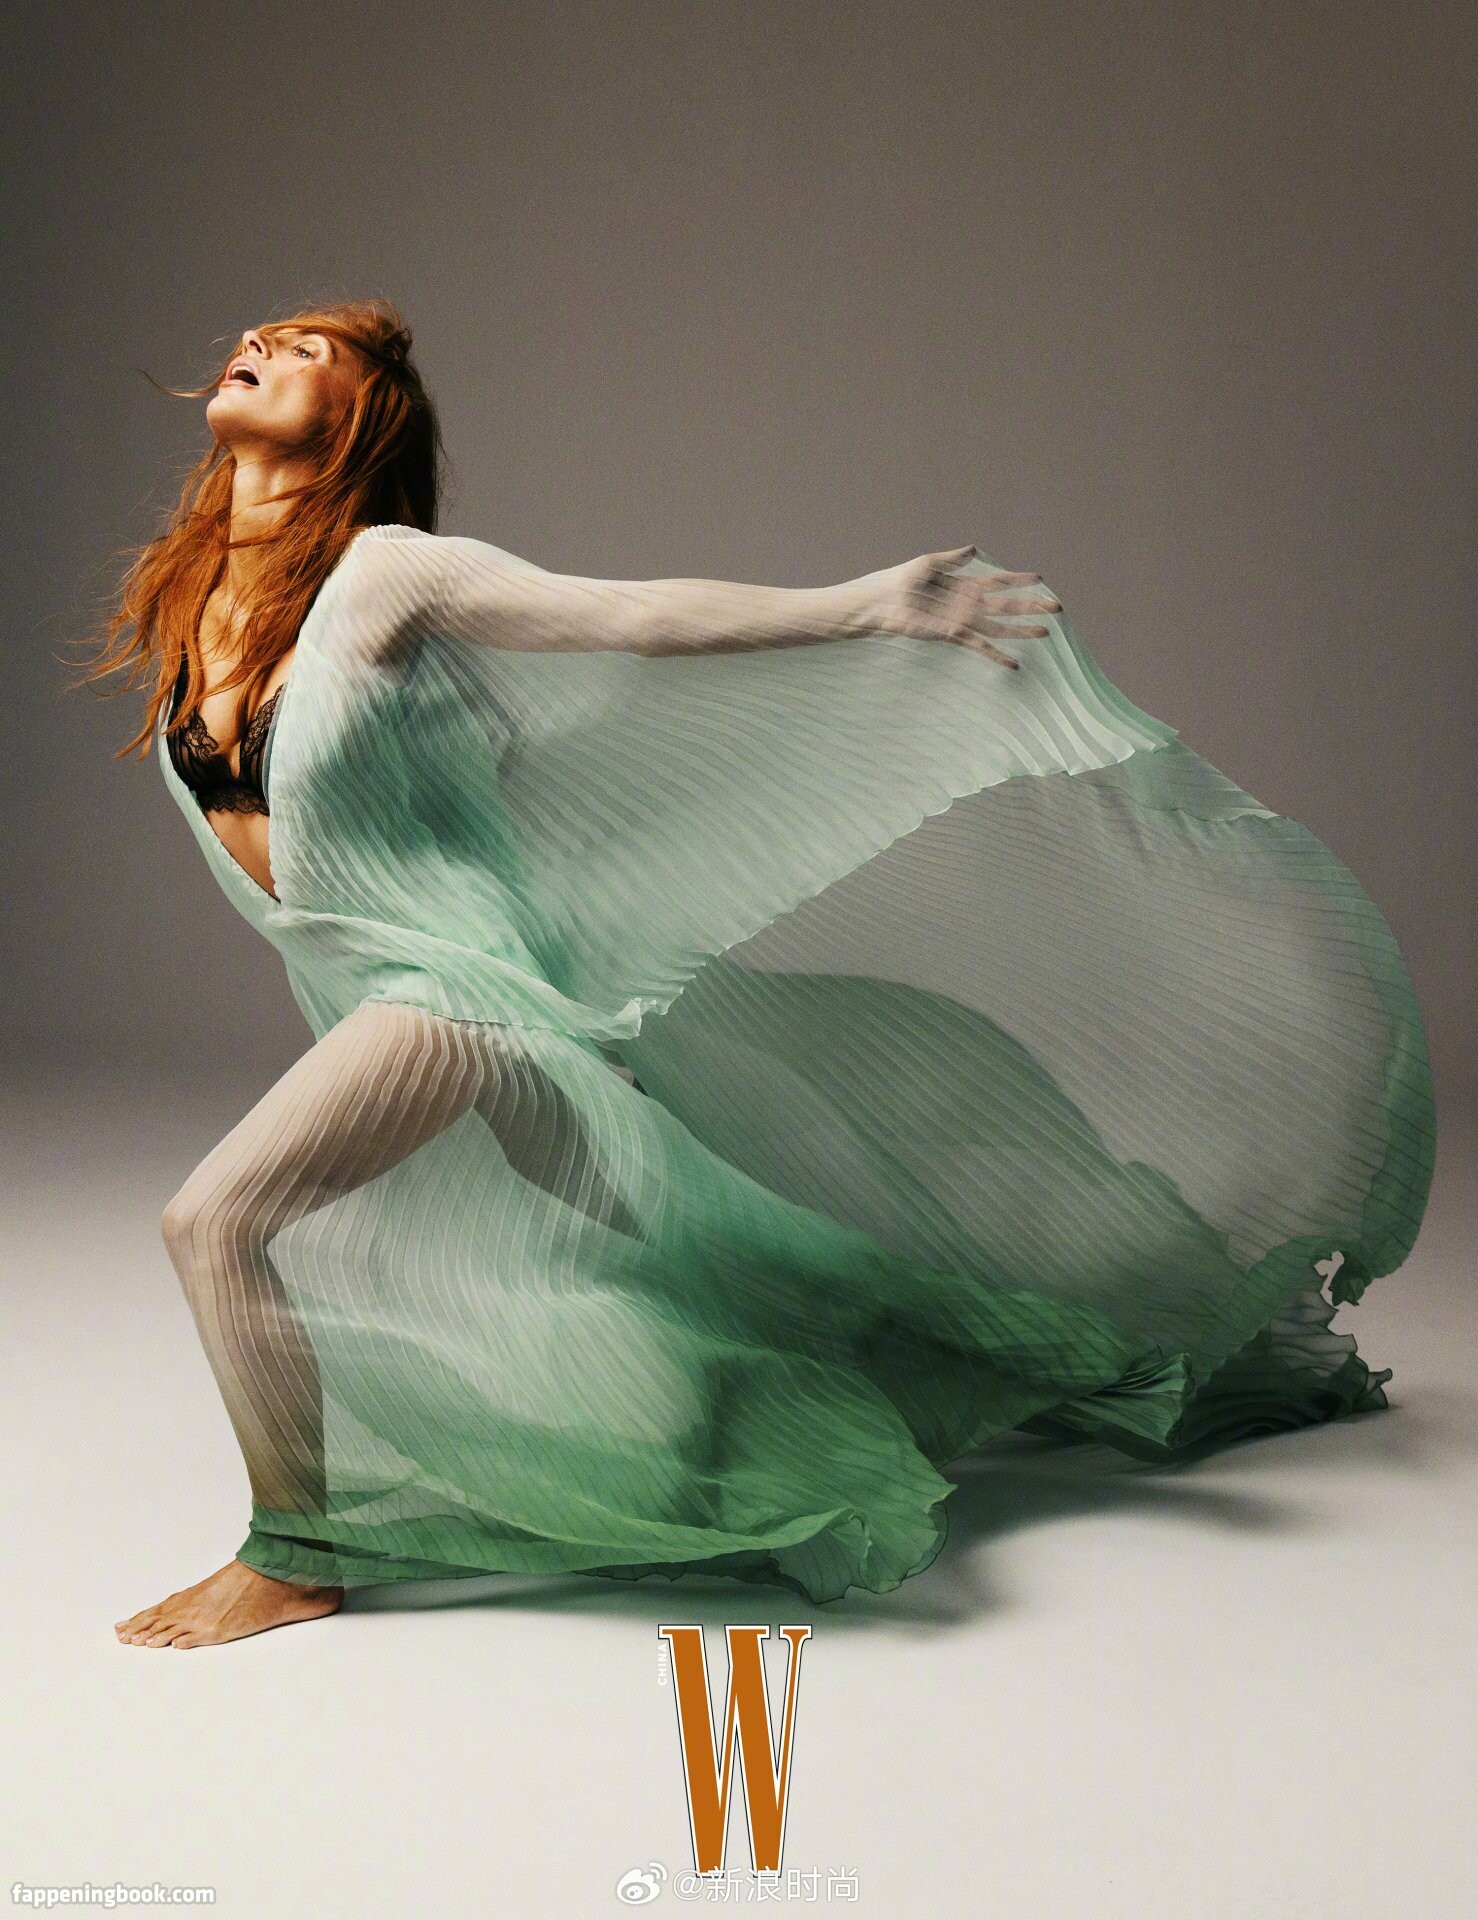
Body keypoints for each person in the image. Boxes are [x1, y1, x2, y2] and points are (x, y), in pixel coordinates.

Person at [74, 299, 1434, 1649]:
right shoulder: (193, 602)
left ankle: (295, 1556)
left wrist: (873, 606)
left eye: (313, 351)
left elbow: (632, 619)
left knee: (217, 1223)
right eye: (269, 334)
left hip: (454, 999)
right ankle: (1008, 1350)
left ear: (359, 421)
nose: (266, 345)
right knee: (689, 1252)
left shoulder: (384, 576)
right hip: (396, 989)